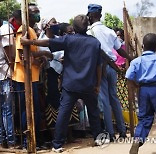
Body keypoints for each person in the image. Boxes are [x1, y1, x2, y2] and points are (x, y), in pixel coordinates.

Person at [20, 14, 102, 152]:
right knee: (94, 112)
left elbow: (48, 43)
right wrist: (98, 84)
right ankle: (98, 138)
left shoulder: (69, 40)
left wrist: (28, 42)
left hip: (70, 85)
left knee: (63, 114)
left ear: (74, 27)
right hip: (88, 84)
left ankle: (57, 145)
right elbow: (99, 66)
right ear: (87, 27)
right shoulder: (95, 42)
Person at [87, 4, 131, 141]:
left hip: (99, 68)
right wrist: (130, 57)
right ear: (100, 15)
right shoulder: (109, 31)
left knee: (105, 101)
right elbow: (119, 50)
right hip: (112, 67)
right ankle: (122, 131)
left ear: (90, 16)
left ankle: (111, 133)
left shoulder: (89, 33)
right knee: (115, 99)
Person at [126, 33, 156, 154]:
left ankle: (138, 139)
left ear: (142, 46)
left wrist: (135, 87)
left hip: (143, 90)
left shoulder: (137, 61)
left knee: (144, 118)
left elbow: (129, 77)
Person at [12, 6, 52, 149]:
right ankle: (27, 143)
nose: (37, 14)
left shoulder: (31, 30)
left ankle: (36, 141)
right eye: (34, 12)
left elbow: (32, 52)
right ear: (27, 14)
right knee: (26, 110)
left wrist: (41, 57)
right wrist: (42, 57)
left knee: (34, 109)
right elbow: (22, 54)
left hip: (32, 76)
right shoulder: (23, 30)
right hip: (23, 77)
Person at [0, 9, 22, 148]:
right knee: (7, 109)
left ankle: (2, 141)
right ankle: (11, 141)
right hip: (5, 74)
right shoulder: (5, 28)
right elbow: (8, 52)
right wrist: (13, 70)